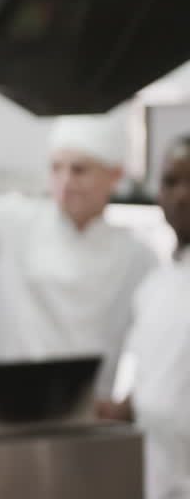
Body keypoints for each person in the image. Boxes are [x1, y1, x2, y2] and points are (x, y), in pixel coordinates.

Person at [0, 115, 157, 396]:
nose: (65, 182)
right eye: (56, 168)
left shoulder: (138, 257)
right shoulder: (11, 223)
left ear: (114, 175)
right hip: (6, 406)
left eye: (79, 170)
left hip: (88, 418)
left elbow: (160, 346)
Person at [99, 135, 190, 499]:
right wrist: (115, 410)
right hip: (158, 478)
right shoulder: (154, 286)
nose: (182, 195)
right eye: (171, 182)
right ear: (158, 195)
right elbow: (160, 384)